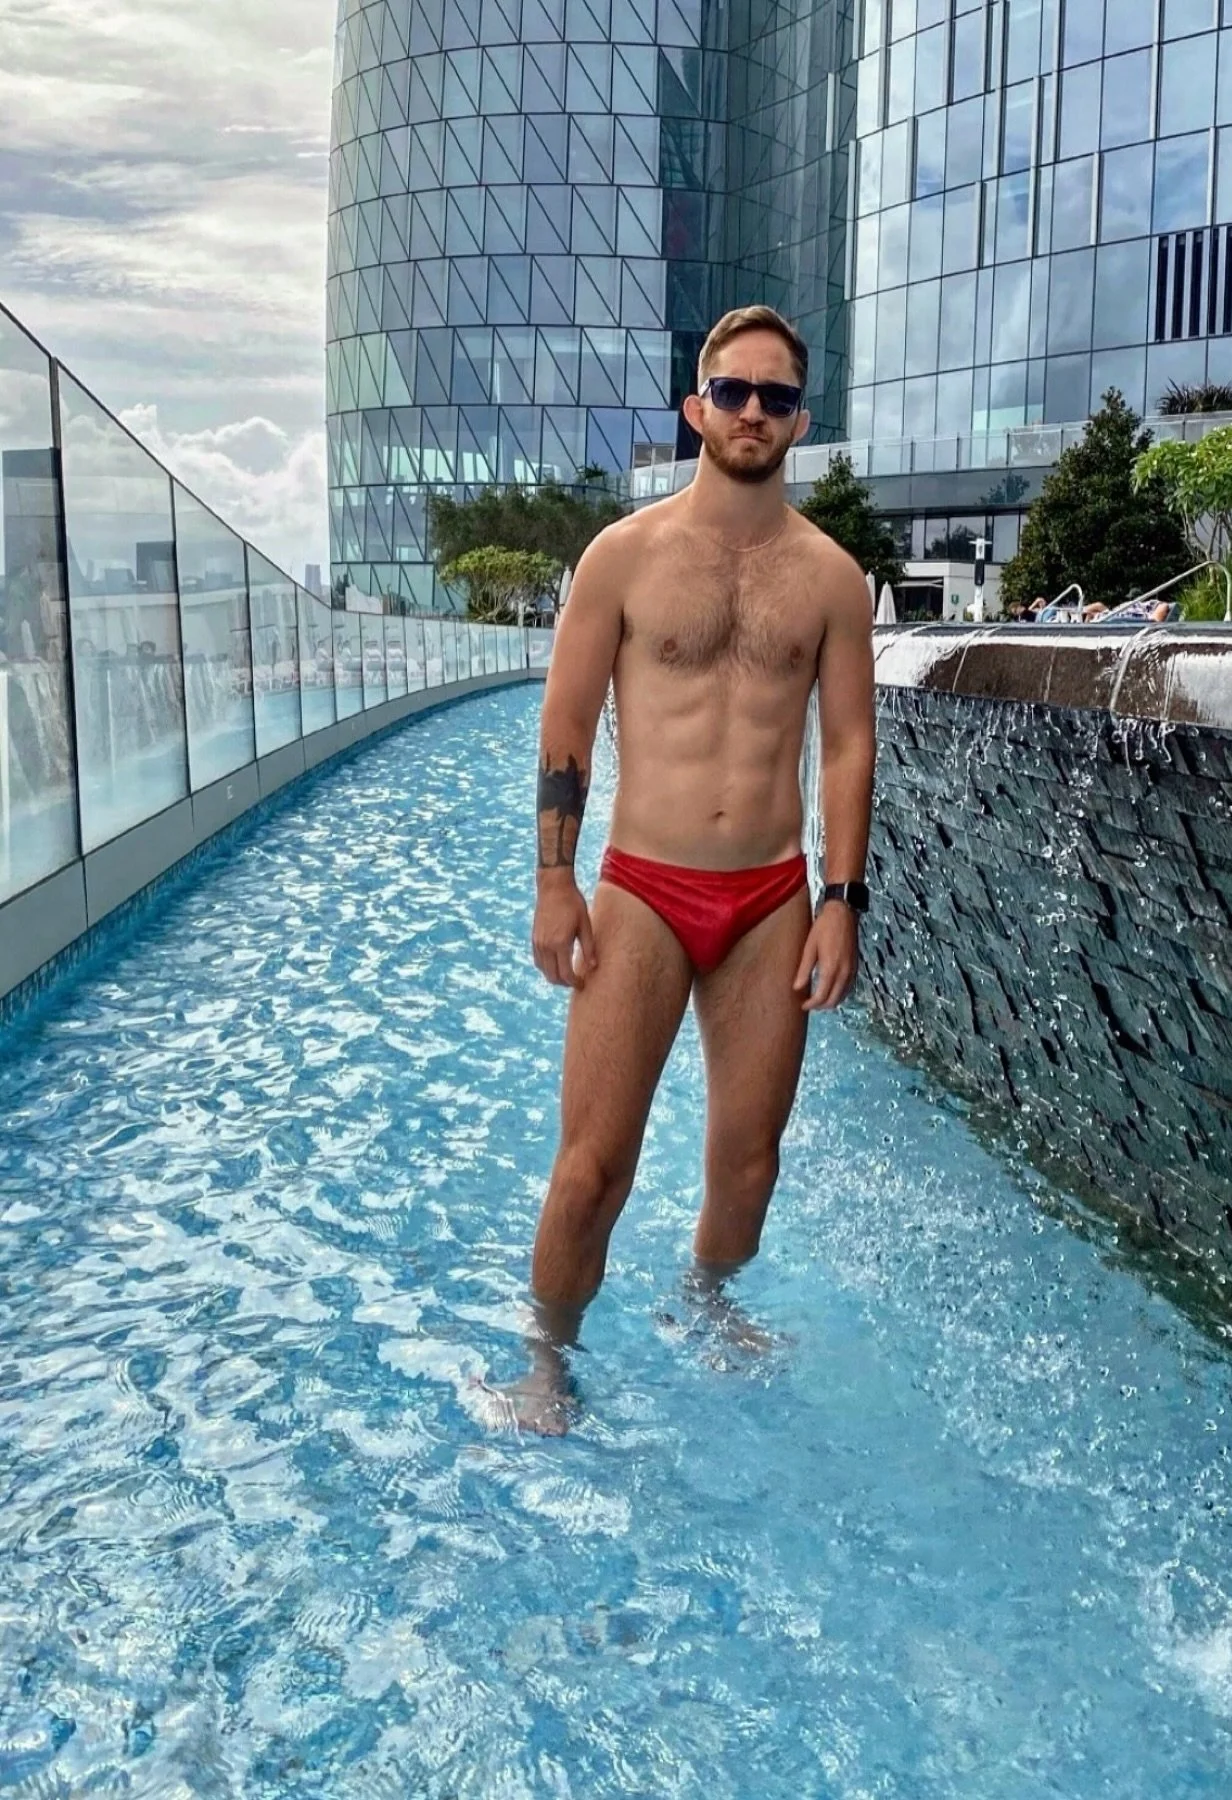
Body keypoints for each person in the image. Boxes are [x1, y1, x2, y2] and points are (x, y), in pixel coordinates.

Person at [492, 305, 877, 1433]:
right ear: (696, 408)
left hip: (770, 899)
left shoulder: (831, 579)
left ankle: (706, 1299)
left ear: (800, 420)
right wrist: (554, 881)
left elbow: (848, 746)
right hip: (645, 891)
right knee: (591, 1168)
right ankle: (546, 1360)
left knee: (749, 1165)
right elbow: (566, 724)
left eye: (776, 396)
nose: (753, 411)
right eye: (734, 392)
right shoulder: (624, 557)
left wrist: (841, 900)